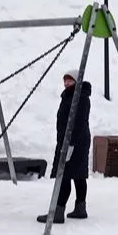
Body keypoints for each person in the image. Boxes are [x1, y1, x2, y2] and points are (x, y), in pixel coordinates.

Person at [38, 69, 92, 224]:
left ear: (76, 81)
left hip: (74, 141)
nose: (66, 83)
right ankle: (80, 208)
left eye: (69, 80)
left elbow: (79, 123)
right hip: (73, 141)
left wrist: (71, 144)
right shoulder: (71, 96)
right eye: (65, 80)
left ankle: (58, 212)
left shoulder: (80, 98)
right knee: (78, 174)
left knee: (65, 175)